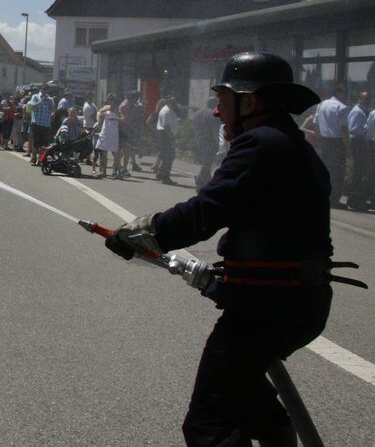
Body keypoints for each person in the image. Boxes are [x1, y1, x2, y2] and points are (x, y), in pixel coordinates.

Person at [111, 52, 334, 446]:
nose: (216, 112)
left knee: (208, 426)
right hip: (295, 300)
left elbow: (206, 210)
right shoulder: (290, 144)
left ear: (249, 102)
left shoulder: (261, 145)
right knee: (251, 404)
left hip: (266, 306)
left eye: (223, 99)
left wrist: (144, 233)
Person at [314, 84, 350, 209]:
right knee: (338, 172)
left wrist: (320, 137)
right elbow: (344, 129)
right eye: (345, 93)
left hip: (325, 140)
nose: (346, 96)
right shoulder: (342, 107)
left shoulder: (322, 104)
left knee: (326, 169)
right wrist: (348, 146)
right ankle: (334, 199)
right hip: (337, 141)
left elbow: (316, 123)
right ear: (339, 93)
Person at [345, 91, 372, 211]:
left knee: (360, 172)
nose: (368, 101)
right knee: (358, 171)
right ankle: (354, 199)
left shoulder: (362, 111)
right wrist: (366, 131)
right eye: (366, 99)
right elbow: (353, 129)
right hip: (357, 143)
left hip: (359, 143)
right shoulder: (358, 112)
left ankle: (356, 198)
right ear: (360, 99)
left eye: (369, 99)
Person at [192, 97, 221, 188]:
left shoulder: (197, 113)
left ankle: (203, 182)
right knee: (207, 163)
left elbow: (194, 127)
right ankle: (200, 181)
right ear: (213, 104)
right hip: (209, 142)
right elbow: (214, 130)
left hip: (199, 140)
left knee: (206, 163)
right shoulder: (213, 114)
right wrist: (218, 142)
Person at [94, 93, 121, 178]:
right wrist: (102, 113)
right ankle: (104, 172)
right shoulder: (106, 108)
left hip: (113, 133)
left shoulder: (117, 109)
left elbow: (123, 119)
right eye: (109, 100)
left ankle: (118, 171)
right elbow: (98, 116)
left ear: (115, 101)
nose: (110, 101)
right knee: (103, 153)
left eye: (112, 100)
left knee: (115, 153)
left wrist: (115, 119)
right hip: (105, 131)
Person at [155, 95, 180, 185]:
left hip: (166, 135)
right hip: (165, 136)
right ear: (169, 102)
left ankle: (161, 173)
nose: (175, 103)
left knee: (167, 156)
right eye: (173, 102)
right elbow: (166, 126)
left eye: (175, 102)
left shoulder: (169, 109)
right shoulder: (166, 111)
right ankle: (165, 177)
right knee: (169, 156)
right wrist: (172, 137)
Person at [28, 84, 54, 165]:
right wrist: (41, 101)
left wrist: (51, 103)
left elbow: (54, 110)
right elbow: (32, 108)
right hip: (36, 123)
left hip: (46, 125)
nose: (44, 91)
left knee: (44, 144)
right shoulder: (35, 97)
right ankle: (33, 158)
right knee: (36, 142)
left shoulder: (50, 99)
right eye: (43, 89)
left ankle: (41, 160)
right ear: (40, 89)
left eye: (46, 89)